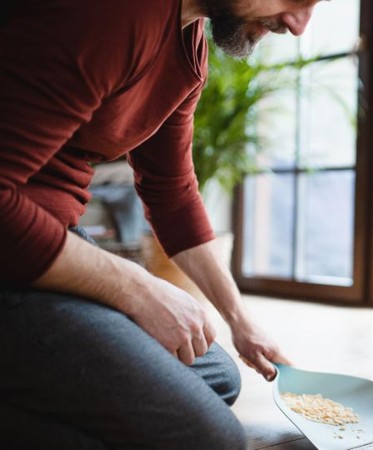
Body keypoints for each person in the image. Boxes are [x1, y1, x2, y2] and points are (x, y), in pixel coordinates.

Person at [0, 0, 324, 448]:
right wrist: (138, 288)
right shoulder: (114, 15)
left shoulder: (188, 45)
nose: (298, 23)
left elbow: (172, 193)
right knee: (211, 438)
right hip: (12, 257)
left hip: (45, 238)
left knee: (215, 374)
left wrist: (240, 320)